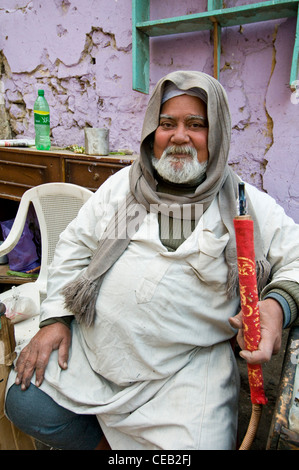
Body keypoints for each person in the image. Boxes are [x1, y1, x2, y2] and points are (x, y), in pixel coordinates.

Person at [5, 71, 299, 450]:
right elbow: (74, 244)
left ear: (219, 134)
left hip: (181, 375)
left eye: (196, 124)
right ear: (151, 132)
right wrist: (57, 318)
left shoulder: (246, 204)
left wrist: (275, 307)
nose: (179, 136)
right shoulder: (125, 187)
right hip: (98, 356)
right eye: (167, 124)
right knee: (25, 403)